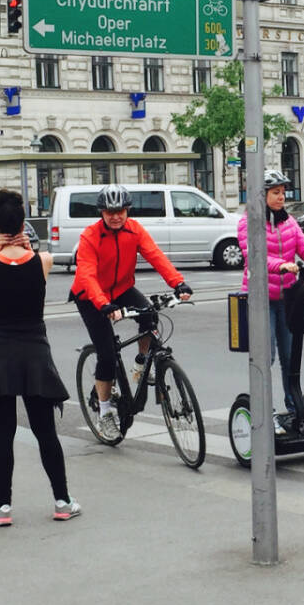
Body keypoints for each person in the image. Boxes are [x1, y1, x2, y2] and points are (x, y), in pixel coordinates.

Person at [0, 190, 78, 526]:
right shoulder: (42, 261)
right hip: (34, 353)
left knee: (3, 433)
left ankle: (3, 508)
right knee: (46, 432)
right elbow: (29, 260)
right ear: (25, 224)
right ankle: (62, 501)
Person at [71, 183, 193, 442]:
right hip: (92, 296)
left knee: (150, 315)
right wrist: (103, 304)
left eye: (120, 211)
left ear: (127, 210)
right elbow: (86, 274)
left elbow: (156, 256)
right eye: (109, 212)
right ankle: (105, 414)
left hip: (122, 289)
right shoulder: (90, 236)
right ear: (101, 212)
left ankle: (141, 364)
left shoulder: (134, 230)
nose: (115, 216)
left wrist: (177, 282)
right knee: (106, 354)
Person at [236, 169, 304, 426]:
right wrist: (279, 265)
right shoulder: (248, 223)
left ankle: (294, 409)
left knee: (290, 355)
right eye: (275, 193)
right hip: (260, 299)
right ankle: (264, 409)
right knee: (265, 356)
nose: (281, 197)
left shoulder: (288, 222)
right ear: (262, 195)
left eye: (283, 192)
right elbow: (253, 255)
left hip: (288, 298)